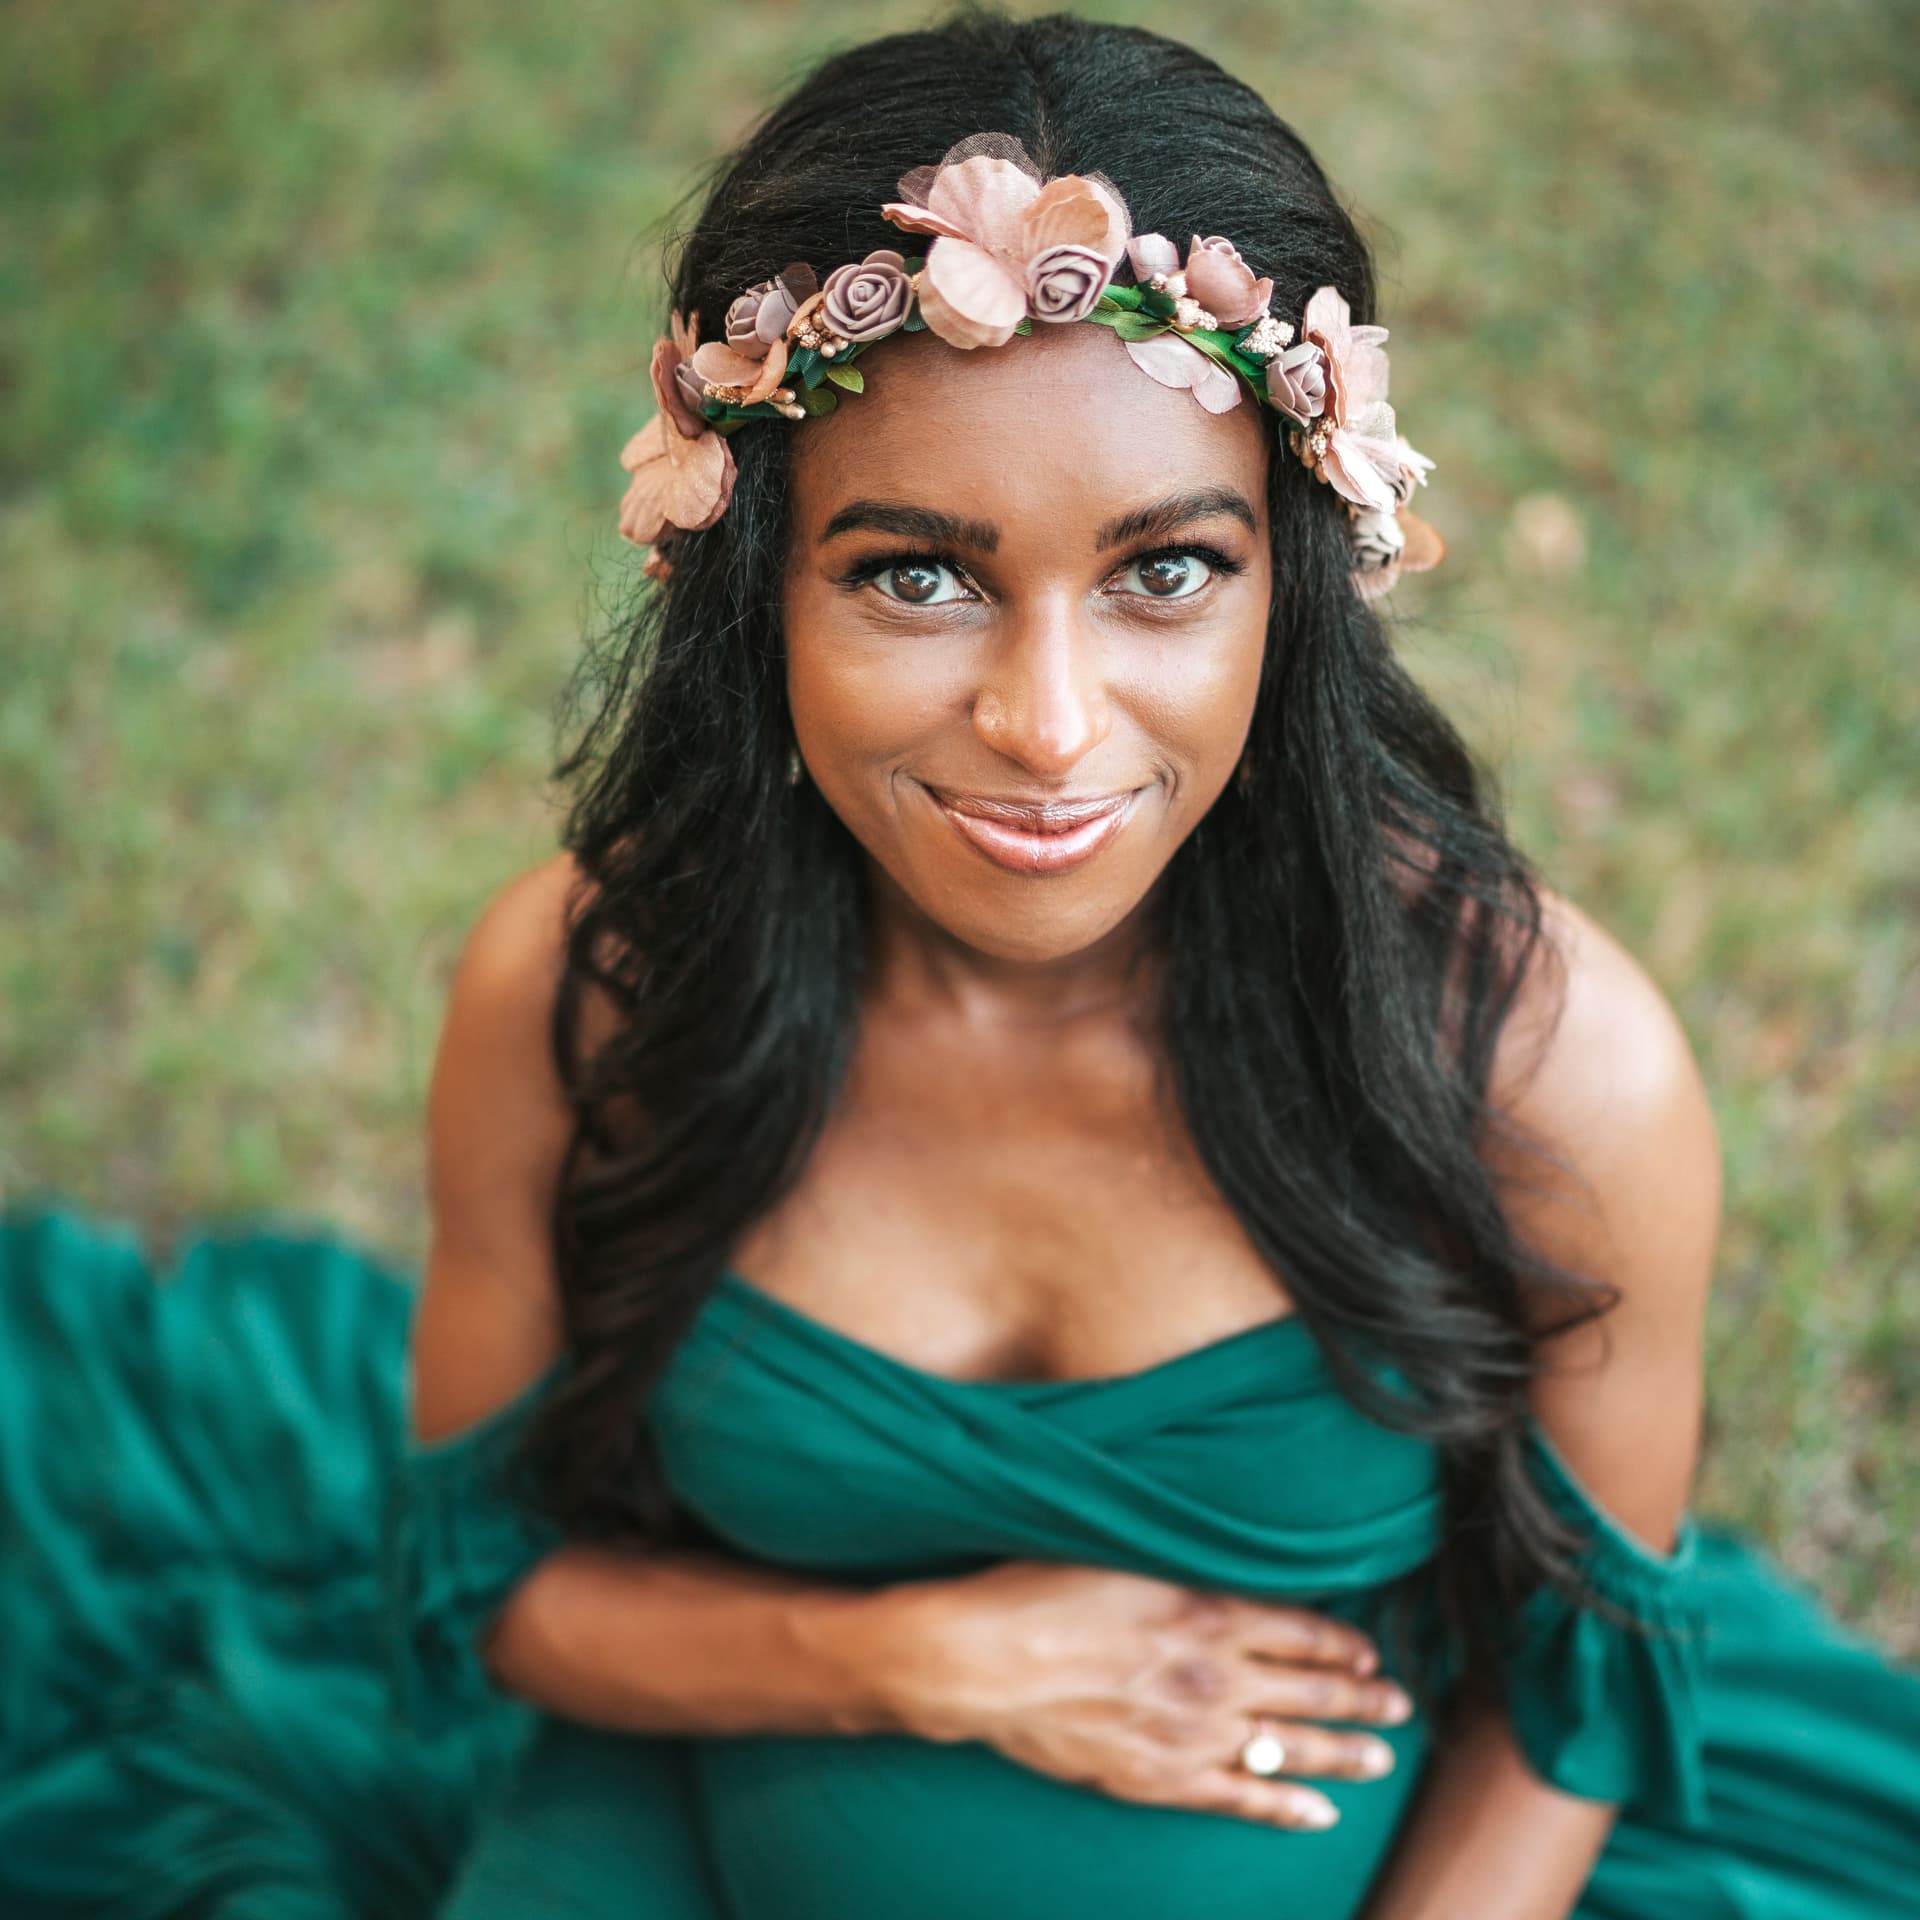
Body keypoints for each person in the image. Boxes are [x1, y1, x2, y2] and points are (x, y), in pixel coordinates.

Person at [2, 9, 1916, 1918]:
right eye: (917, 574)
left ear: (1301, 570)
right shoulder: (590, 995)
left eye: (1168, 568)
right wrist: (925, 1660)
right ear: (758, 576)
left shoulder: (1542, 1066)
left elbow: (1572, 1701)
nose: (1050, 724)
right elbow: (490, 1598)